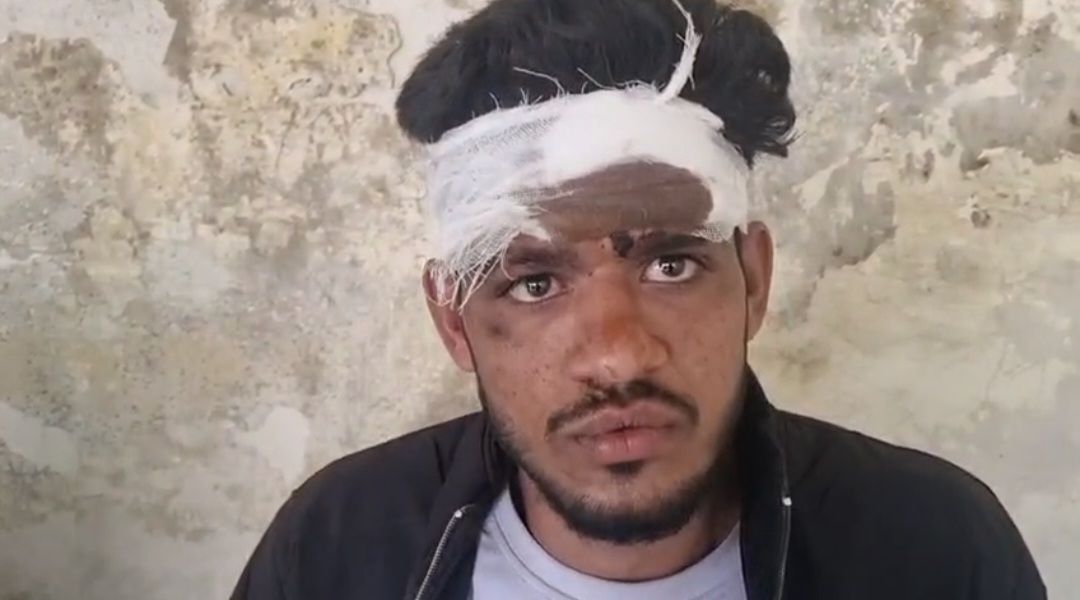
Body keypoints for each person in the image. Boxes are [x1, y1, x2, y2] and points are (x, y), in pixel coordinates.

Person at [231, 0, 1046, 598]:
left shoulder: (935, 547)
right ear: (453, 321)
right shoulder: (335, 545)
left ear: (754, 279)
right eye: (535, 283)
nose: (618, 356)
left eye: (672, 265)